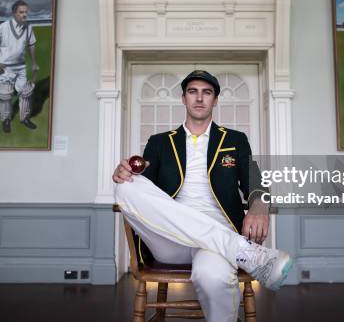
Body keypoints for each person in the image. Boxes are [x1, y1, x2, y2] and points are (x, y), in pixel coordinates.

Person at [112, 70, 294, 322]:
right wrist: (124, 174)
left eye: (206, 92)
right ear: (183, 98)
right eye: (192, 92)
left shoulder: (235, 140)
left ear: (215, 100)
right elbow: (144, 189)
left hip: (216, 234)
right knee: (125, 187)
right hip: (170, 237)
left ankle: (235, 248)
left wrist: (260, 204)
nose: (199, 98)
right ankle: (245, 252)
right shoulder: (159, 142)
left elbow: (255, 179)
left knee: (213, 277)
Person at [0, 0, 39, 133]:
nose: (24, 15)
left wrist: (34, 62)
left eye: (26, 12)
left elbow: (31, 44)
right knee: (5, 96)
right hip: (5, 68)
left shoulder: (28, 27)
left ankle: (24, 118)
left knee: (25, 93)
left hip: (21, 67)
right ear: (14, 13)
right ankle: (6, 120)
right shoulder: (4, 27)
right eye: (21, 12)